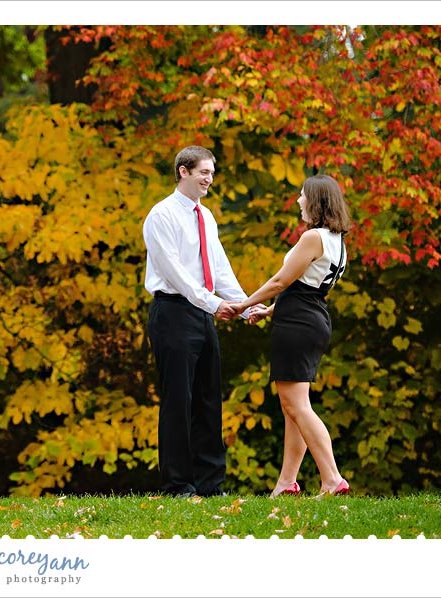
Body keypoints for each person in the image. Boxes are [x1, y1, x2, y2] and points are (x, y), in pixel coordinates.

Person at [143, 145, 259, 498]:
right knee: (179, 400)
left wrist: (246, 305)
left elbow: (219, 268)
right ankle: (177, 484)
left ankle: (211, 485)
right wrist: (214, 305)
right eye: (203, 172)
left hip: (202, 313)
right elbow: (175, 273)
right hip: (173, 312)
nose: (209, 179)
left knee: (209, 399)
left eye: (211, 173)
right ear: (183, 171)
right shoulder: (160, 216)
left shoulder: (205, 216)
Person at [228, 174, 352, 497]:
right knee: (294, 405)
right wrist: (270, 311)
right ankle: (286, 483)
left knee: (296, 405)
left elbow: (280, 282)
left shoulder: (313, 237)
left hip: (298, 325)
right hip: (310, 319)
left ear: (317, 202)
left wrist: (244, 303)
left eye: (302, 196)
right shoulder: (337, 242)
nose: (299, 201)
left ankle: (332, 478)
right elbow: (308, 289)